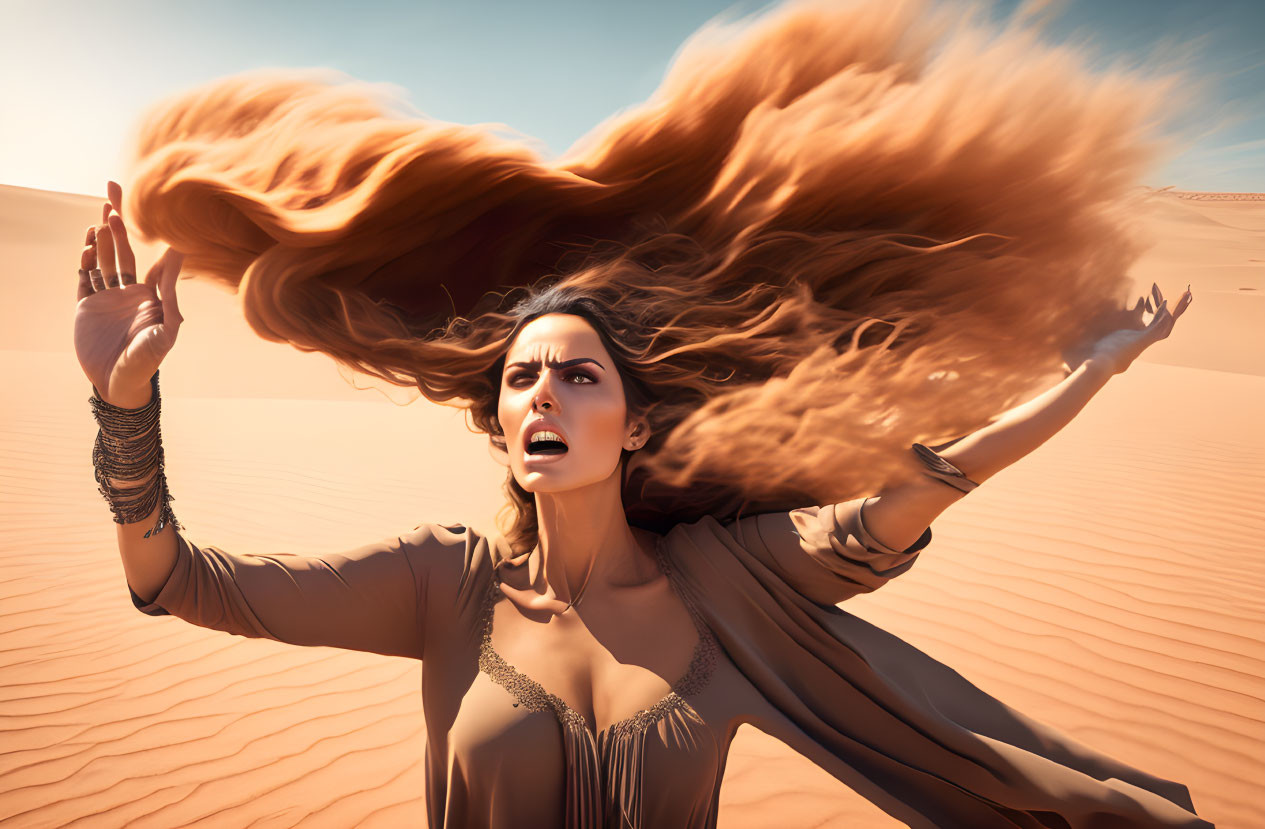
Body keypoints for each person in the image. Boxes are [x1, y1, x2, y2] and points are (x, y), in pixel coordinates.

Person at [73, 1, 1209, 826]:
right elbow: (174, 583)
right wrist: (125, 407)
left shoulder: (729, 581)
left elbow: (925, 484)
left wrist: (1095, 369)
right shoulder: (445, 585)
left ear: (636, 425)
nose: (542, 396)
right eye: (521, 379)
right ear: (502, 430)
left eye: (578, 376)